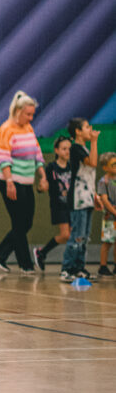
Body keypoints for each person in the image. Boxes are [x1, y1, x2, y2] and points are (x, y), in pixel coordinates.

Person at [0, 91, 48, 276]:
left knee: (26, 222)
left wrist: (42, 176)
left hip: (27, 181)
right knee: (19, 222)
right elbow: (3, 158)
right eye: (28, 114)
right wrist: (9, 182)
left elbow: (37, 152)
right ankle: (25, 264)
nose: (30, 118)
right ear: (18, 111)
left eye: (32, 115)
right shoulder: (5, 130)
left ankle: (0, 254)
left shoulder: (28, 128)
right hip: (11, 181)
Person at [60, 117, 100, 282]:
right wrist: (95, 142)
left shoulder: (83, 148)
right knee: (77, 235)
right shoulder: (76, 148)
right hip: (78, 198)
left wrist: (95, 195)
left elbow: (89, 175)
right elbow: (92, 163)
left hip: (88, 197)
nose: (90, 129)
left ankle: (79, 267)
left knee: (85, 236)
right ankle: (67, 268)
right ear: (78, 131)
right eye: (86, 127)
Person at [33, 136, 72, 272]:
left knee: (73, 235)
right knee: (66, 235)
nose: (67, 151)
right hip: (59, 205)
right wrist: (41, 187)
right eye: (64, 149)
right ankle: (42, 251)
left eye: (69, 149)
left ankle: (44, 253)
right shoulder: (51, 168)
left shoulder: (72, 166)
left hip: (71, 206)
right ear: (56, 150)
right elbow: (42, 186)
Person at [96, 152, 116, 278]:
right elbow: (104, 199)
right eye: (113, 165)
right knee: (108, 242)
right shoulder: (104, 182)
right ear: (105, 167)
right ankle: (103, 266)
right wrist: (114, 212)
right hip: (110, 217)